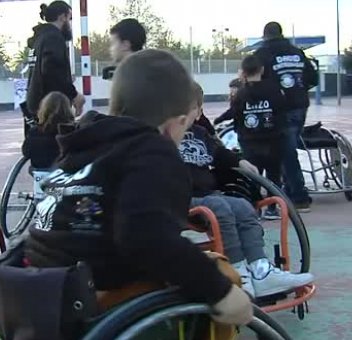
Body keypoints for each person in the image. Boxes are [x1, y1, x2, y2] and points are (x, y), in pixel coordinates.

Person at [24, 49, 253, 326]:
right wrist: (221, 292)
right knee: (222, 277)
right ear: (175, 124)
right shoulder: (152, 151)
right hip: (95, 302)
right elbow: (146, 237)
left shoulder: (83, 143)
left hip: (38, 293)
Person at [181, 81, 313, 297]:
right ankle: (236, 270)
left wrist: (241, 163)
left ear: (198, 112)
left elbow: (221, 155)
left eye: (191, 108)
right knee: (220, 205)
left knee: (243, 206)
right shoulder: (165, 137)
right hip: (184, 198)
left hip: (208, 196)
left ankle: (260, 269)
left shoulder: (201, 133)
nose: (184, 113)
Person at [254, 22, 318, 212]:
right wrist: (297, 90)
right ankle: (291, 191)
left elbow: (256, 79)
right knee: (287, 149)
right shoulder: (297, 52)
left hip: (279, 109)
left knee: (287, 152)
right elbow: (313, 78)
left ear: (265, 36)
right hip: (300, 106)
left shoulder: (262, 54)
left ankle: (299, 196)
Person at [229, 55, 287, 220]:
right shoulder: (274, 90)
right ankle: (272, 207)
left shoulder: (241, 93)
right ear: (261, 69)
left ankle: (255, 208)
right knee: (274, 175)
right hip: (273, 139)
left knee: (253, 175)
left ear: (244, 72)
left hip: (249, 140)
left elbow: (236, 114)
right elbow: (281, 113)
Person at [24, 1, 85, 128]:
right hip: (51, 110)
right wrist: (74, 94)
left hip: (36, 106)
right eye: (70, 18)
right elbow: (52, 70)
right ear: (62, 17)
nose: (70, 24)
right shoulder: (53, 38)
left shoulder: (39, 39)